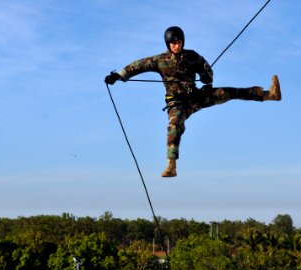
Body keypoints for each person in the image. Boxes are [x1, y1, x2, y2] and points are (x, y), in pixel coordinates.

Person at [105, 26, 281, 178]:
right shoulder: (159, 60)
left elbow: (206, 69)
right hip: (176, 103)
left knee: (226, 92)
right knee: (175, 125)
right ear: (168, 45)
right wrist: (118, 76)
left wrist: (206, 78)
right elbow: (138, 65)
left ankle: (268, 95)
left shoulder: (192, 56)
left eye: (179, 42)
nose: (177, 45)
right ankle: (171, 165)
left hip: (195, 97)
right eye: (173, 43)